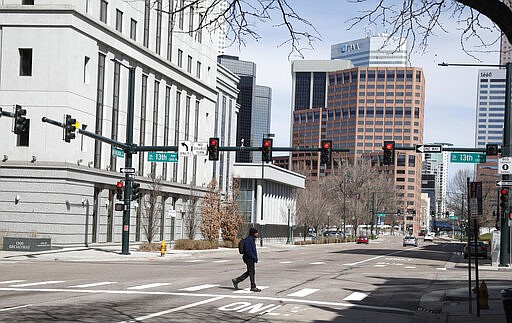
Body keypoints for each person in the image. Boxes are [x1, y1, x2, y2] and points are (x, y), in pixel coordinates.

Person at [232, 227, 261, 292]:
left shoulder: (252, 239)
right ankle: (253, 286)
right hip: (249, 258)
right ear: (253, 233)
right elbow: (248, 251)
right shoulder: (249, 240)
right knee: (251, 272)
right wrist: (253, 257)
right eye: (256, 233)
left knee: (250, 272)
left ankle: (236, 280)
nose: (257, 234)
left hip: (250, 258)